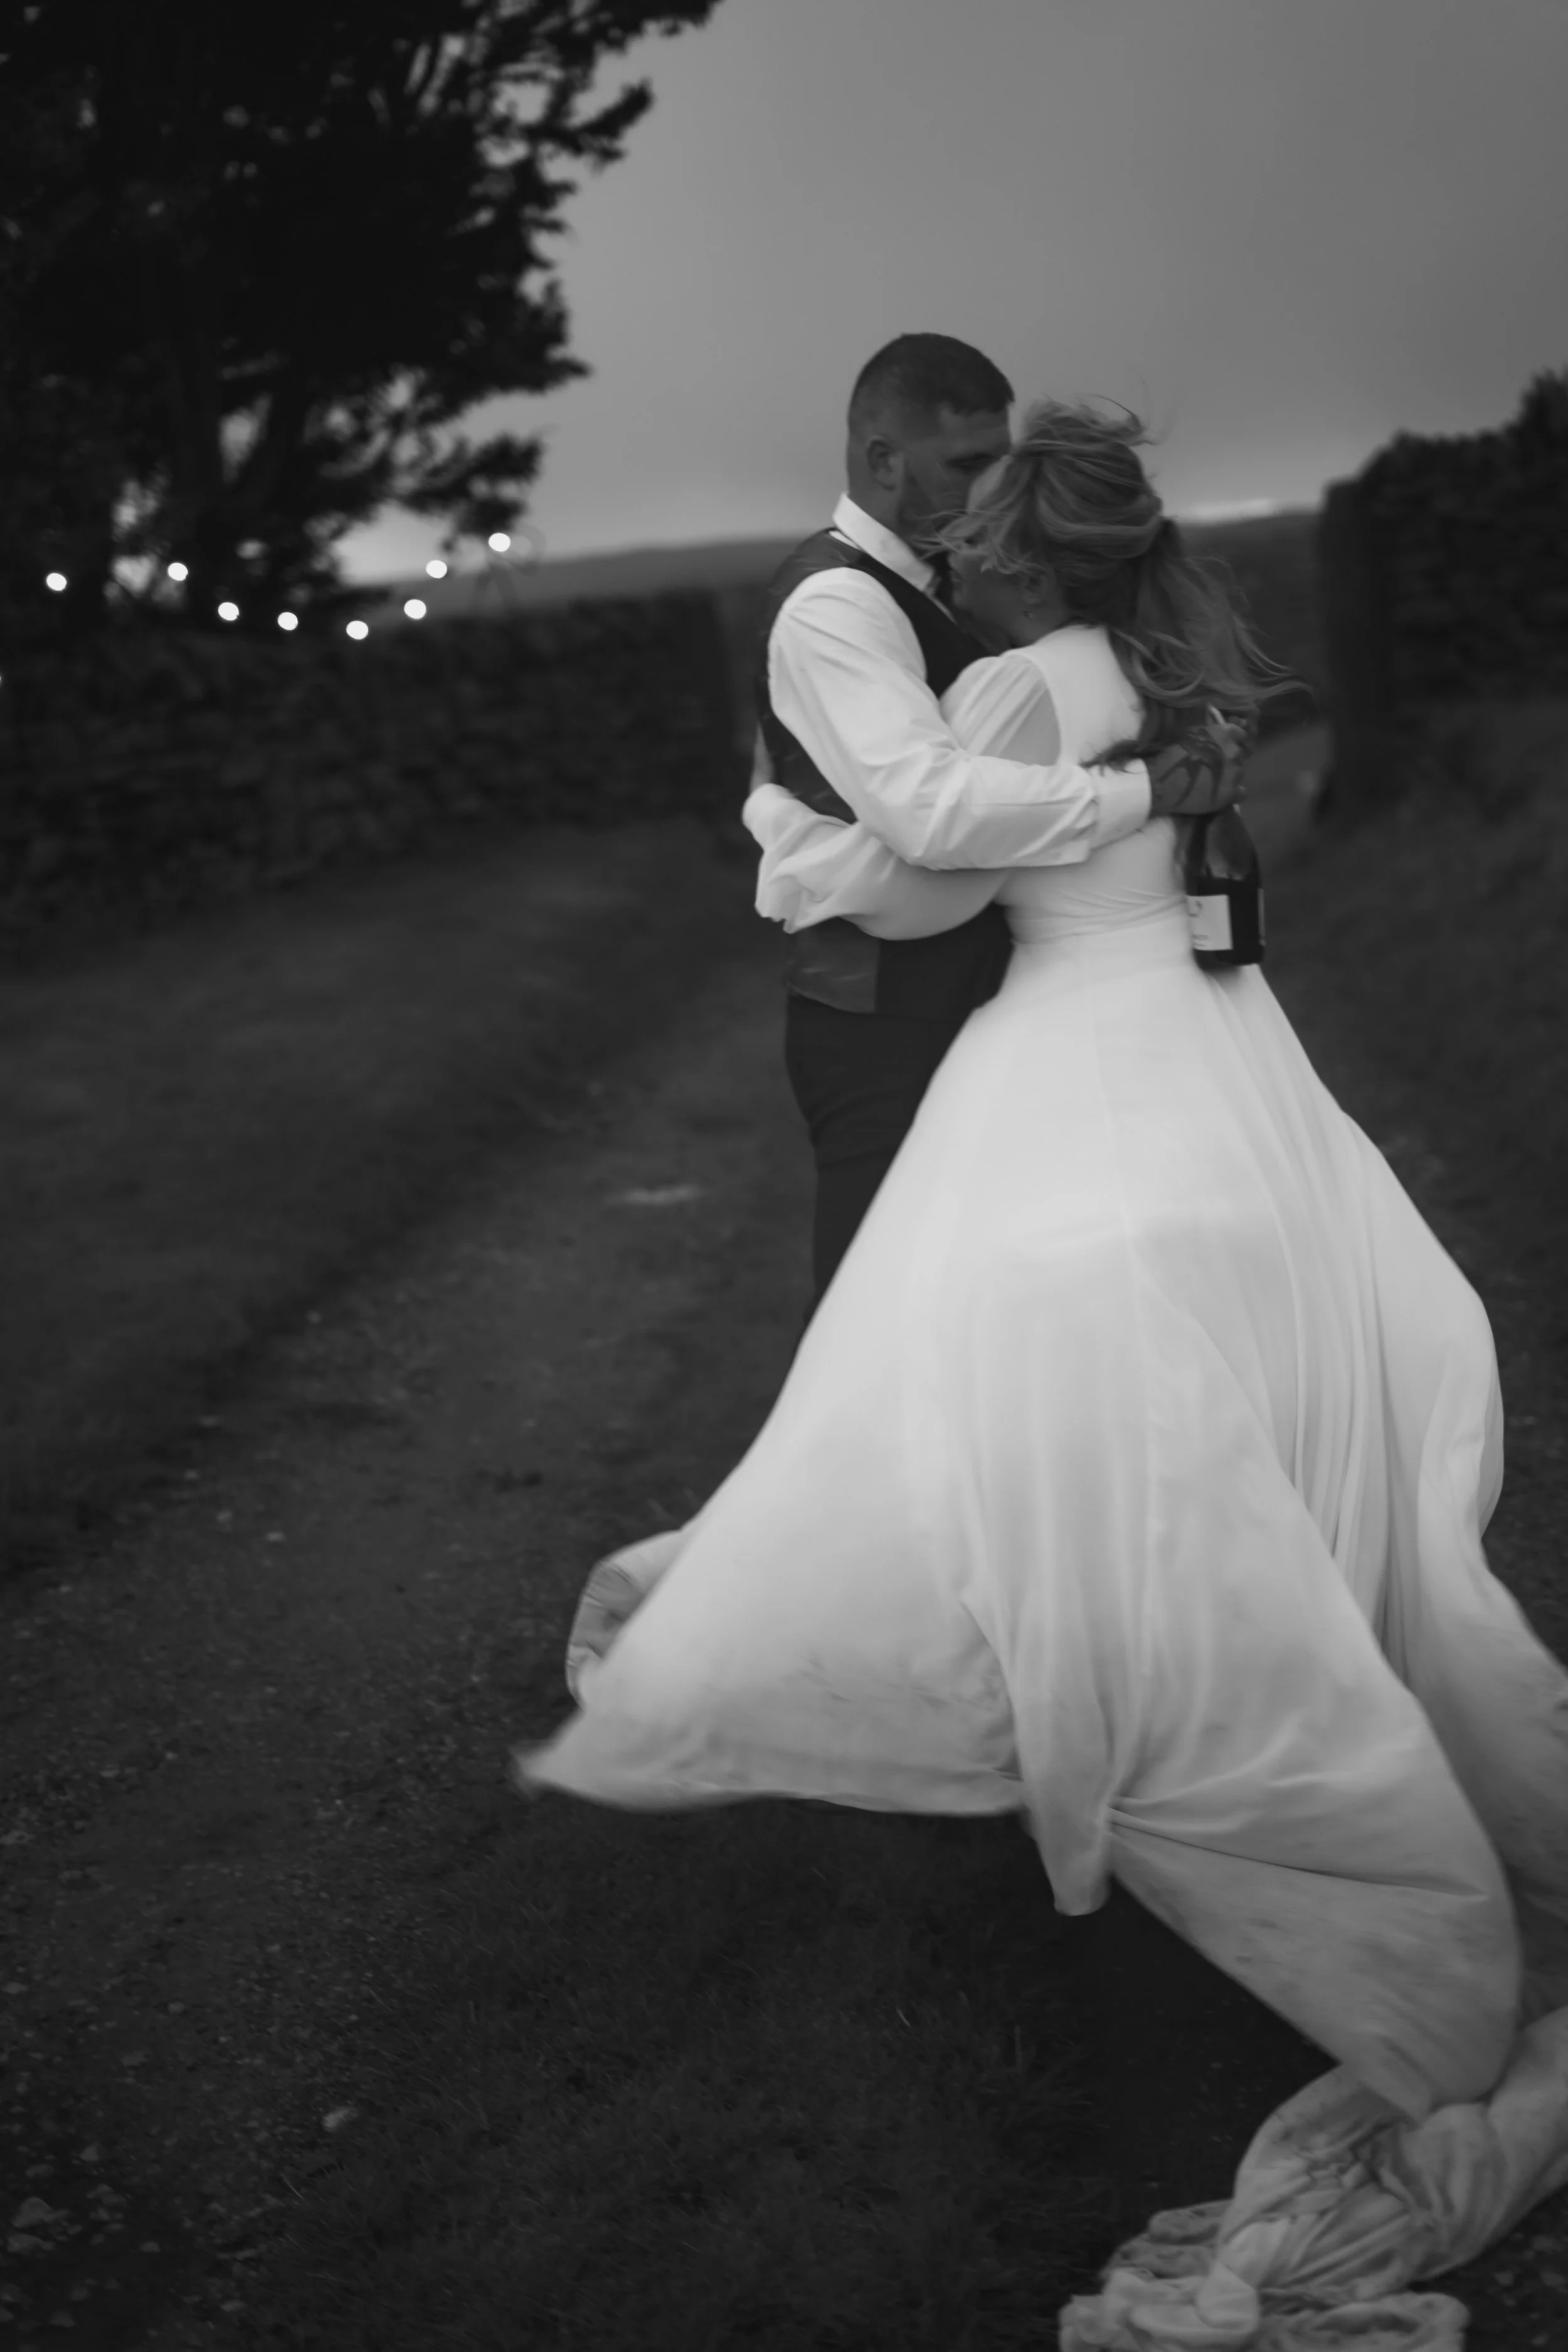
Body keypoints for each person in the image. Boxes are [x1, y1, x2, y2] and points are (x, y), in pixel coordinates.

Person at [514, 401, 1568, 2334]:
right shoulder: (1182, 672)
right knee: (1268, 1354)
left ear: (1027, 542)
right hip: (1221, 1046)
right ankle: (1308, 1629)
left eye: (993, 517)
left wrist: (782, 829)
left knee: (997, 1377)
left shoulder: (1013, 687)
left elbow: (918, 887)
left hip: (1070, 1045)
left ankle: (1133, 1711)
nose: (973, 542)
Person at [743, 332, 1248, 1312]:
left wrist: (769, 807)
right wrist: (1149, 791)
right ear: (883, 460)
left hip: (1000, 1003)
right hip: (884, 1013)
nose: (988, 493)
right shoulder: (834, 606)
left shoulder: (984, 585)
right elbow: (933, 813)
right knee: (873, 1322)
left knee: (999, 1318)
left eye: (998, 463)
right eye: (966, 464)